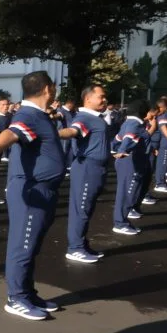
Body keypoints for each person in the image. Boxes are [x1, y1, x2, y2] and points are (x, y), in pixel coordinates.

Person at [0, 71, 66, 321]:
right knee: (23, 245)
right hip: (31, 191)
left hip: (42, 190)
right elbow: (13, 132)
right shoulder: (27, 114)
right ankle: (15, 298)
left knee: (32, 245)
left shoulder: (38, 115)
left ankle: (27, 292)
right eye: (54, 87)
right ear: (48, 89)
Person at [57, 85, 110, 263]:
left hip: (97, 168)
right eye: (101, 97)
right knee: (81, 209)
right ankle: (75, 248)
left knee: (86, 208)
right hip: (87, 168)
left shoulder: (96, 118)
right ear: (88, 99)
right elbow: (73, 131)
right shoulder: (84, 118)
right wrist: (53, 134)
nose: (104, 100)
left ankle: (81, 243)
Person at [111, 99, 155, 236]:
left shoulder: (131, 122)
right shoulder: (134, 123)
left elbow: (117, 139)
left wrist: (116, 149)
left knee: (129, 192)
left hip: (132, 161)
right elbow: (129, 138)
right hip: (130, 162)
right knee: (127, 193)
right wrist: (122, 150)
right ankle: (120, 223)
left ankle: (122, 218)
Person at [152, 97, 167, 193]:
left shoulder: (165, 114)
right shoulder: (164, 115)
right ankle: (160, 184)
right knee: (162, 163)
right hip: (165, 143)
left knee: (163, 163)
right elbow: (163, 127)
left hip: (165, 142)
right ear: (166, 106)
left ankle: (161, 182)